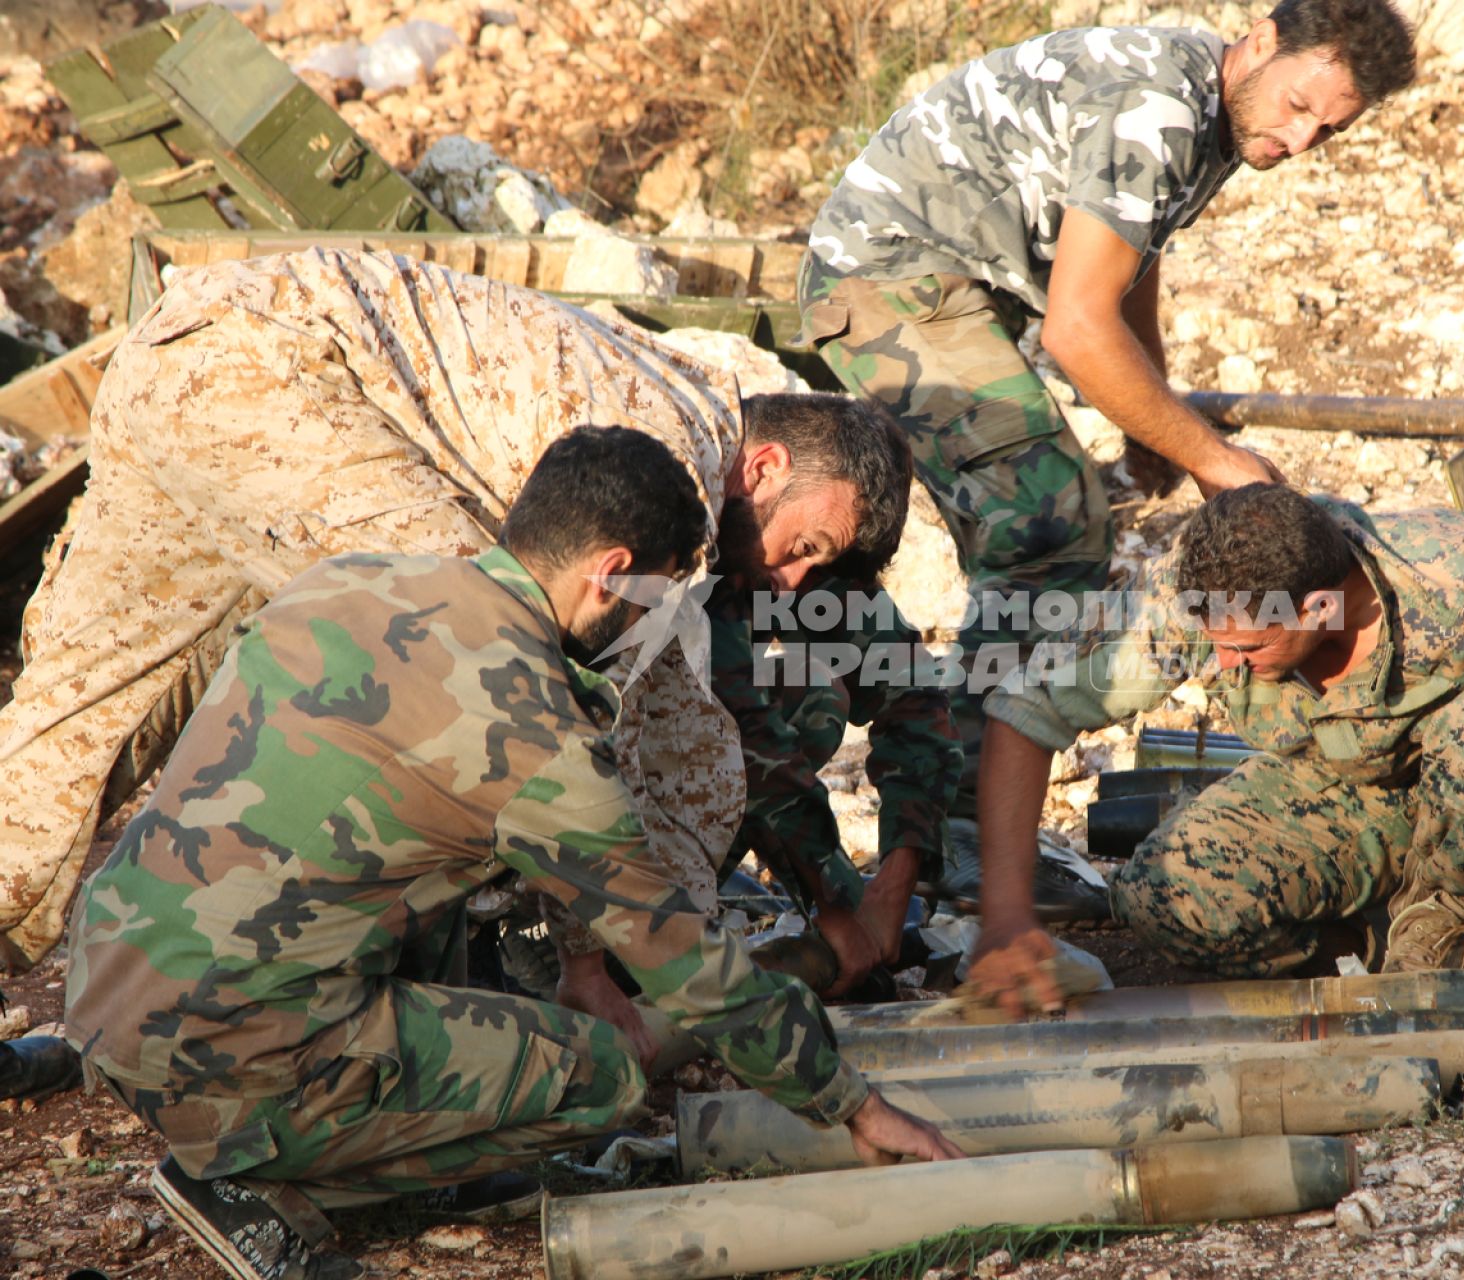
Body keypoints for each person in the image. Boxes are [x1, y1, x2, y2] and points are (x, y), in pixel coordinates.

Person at [63, 427, 961, 1280]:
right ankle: (255, 1174)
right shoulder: (531, 734)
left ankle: (349, 1137)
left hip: (110, 985)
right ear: (612, 575)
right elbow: (695, 971)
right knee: (605, 1078)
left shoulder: (349, 580)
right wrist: (854, 1107)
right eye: (663, 593)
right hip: (232, 1053)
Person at [0, 247, 910, 972]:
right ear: (767, 469)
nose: (788, 582)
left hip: (177, 349)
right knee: (464, 658)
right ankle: (403, 986)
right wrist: (604, 960)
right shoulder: (666, 465)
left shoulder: (679, 384)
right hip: (271, 379)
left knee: (72, 730)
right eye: (804, 549)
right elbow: (593, 731)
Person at [796, 0, 1418, 807]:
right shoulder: (1159, 105)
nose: (1300, 143)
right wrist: (1215, 458)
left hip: (937, 281)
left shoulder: (1215, 104)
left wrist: (1153, 403)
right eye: (1300, 109)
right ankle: (962, 831)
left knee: (1023, 527)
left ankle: (933, 788)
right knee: (1048, 523)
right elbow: (1078, 329)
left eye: (1328, 132)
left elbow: (1129, 250)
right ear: (1261, 42)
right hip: (887, 274)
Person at [965, 485, 1464, 1033]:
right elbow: (1028, 713)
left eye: (1247, 649)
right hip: (1355, 784)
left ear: (1319, 608)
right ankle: (1374, 940)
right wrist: (1004, 918)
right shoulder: (1213, 594)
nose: (1222, 664)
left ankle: (1445, 931)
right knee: (1167, 897)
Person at [708, 565, 961, 993]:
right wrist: (837, 906)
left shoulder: (807, 546)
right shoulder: (692, 550)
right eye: (806, 548)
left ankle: (675, 912)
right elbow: (752, 741)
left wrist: (896, 880)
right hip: (585, 813)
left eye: (820, 552)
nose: (795, 575)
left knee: (813, 692)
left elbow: (911, 686)